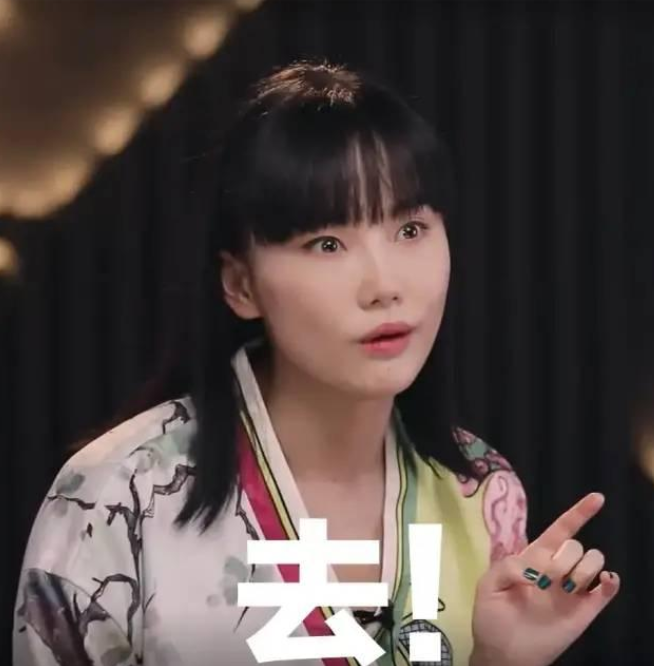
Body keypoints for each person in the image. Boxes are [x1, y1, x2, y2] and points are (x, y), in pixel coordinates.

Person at [13, 61, 619, 666]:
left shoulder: (481, 494)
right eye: (327, 244)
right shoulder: (117, 497)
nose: (385, 286)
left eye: (411, 229)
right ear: (241, 284)